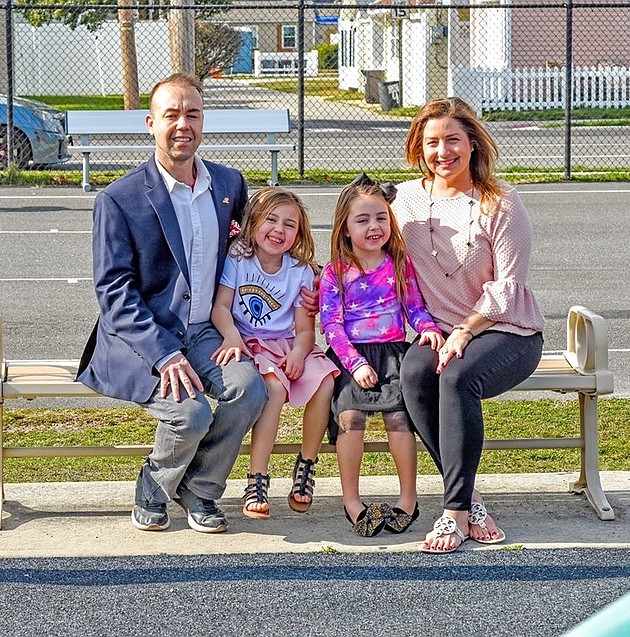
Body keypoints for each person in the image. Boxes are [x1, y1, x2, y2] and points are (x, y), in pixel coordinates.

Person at [76, 73, 268, 534]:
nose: (183, 124)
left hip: (204, 330)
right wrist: (164, 355)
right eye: (171, 115)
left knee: (250, 390)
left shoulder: (229, 184)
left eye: (193, 114)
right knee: (191, 412)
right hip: (142, 337)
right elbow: (114, 292)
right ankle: (154, 486)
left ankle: (199, 488)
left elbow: (251, 254)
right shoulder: (118, 199)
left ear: (204, 121)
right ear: (150, 123)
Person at [391, 97, 545, 553]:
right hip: (436, 329)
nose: (443, 152)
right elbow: (369, 254)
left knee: (455, 376)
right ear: (419, 147)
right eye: (432, 142)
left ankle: (454, 512)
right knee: (416, 373)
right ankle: (472, 498)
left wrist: (466, 329)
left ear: (473, 144)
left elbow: (510, 285)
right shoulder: (403, 201)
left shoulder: (501, 202)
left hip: (505, 329)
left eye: (453, 140)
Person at [320, 174, 444, 537]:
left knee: (400, 421)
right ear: (344, 228)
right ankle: (352, 501)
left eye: (381, 218)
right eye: (362, 220)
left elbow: (415, 308)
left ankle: (408, 499)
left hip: (393, 355)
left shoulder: (398, 265)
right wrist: (355, 364)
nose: (374, 227)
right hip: (350, 357)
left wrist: (428, 329)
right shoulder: (335, 274)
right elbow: (332, 326)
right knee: (350, 419)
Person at [211, 186, 338, 519]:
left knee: (325, 381)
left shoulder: (300, 271)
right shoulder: (238, 258)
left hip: (288, 344)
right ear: (253, 222)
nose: (278, 230)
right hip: (251, 342)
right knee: (274, 387)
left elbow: (306, 329)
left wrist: (299, 353)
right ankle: (257, 477)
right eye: (271, 220)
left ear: (299, 234)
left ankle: (306, 468)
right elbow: (221, 307)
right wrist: (232, 336)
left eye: (289, 224)